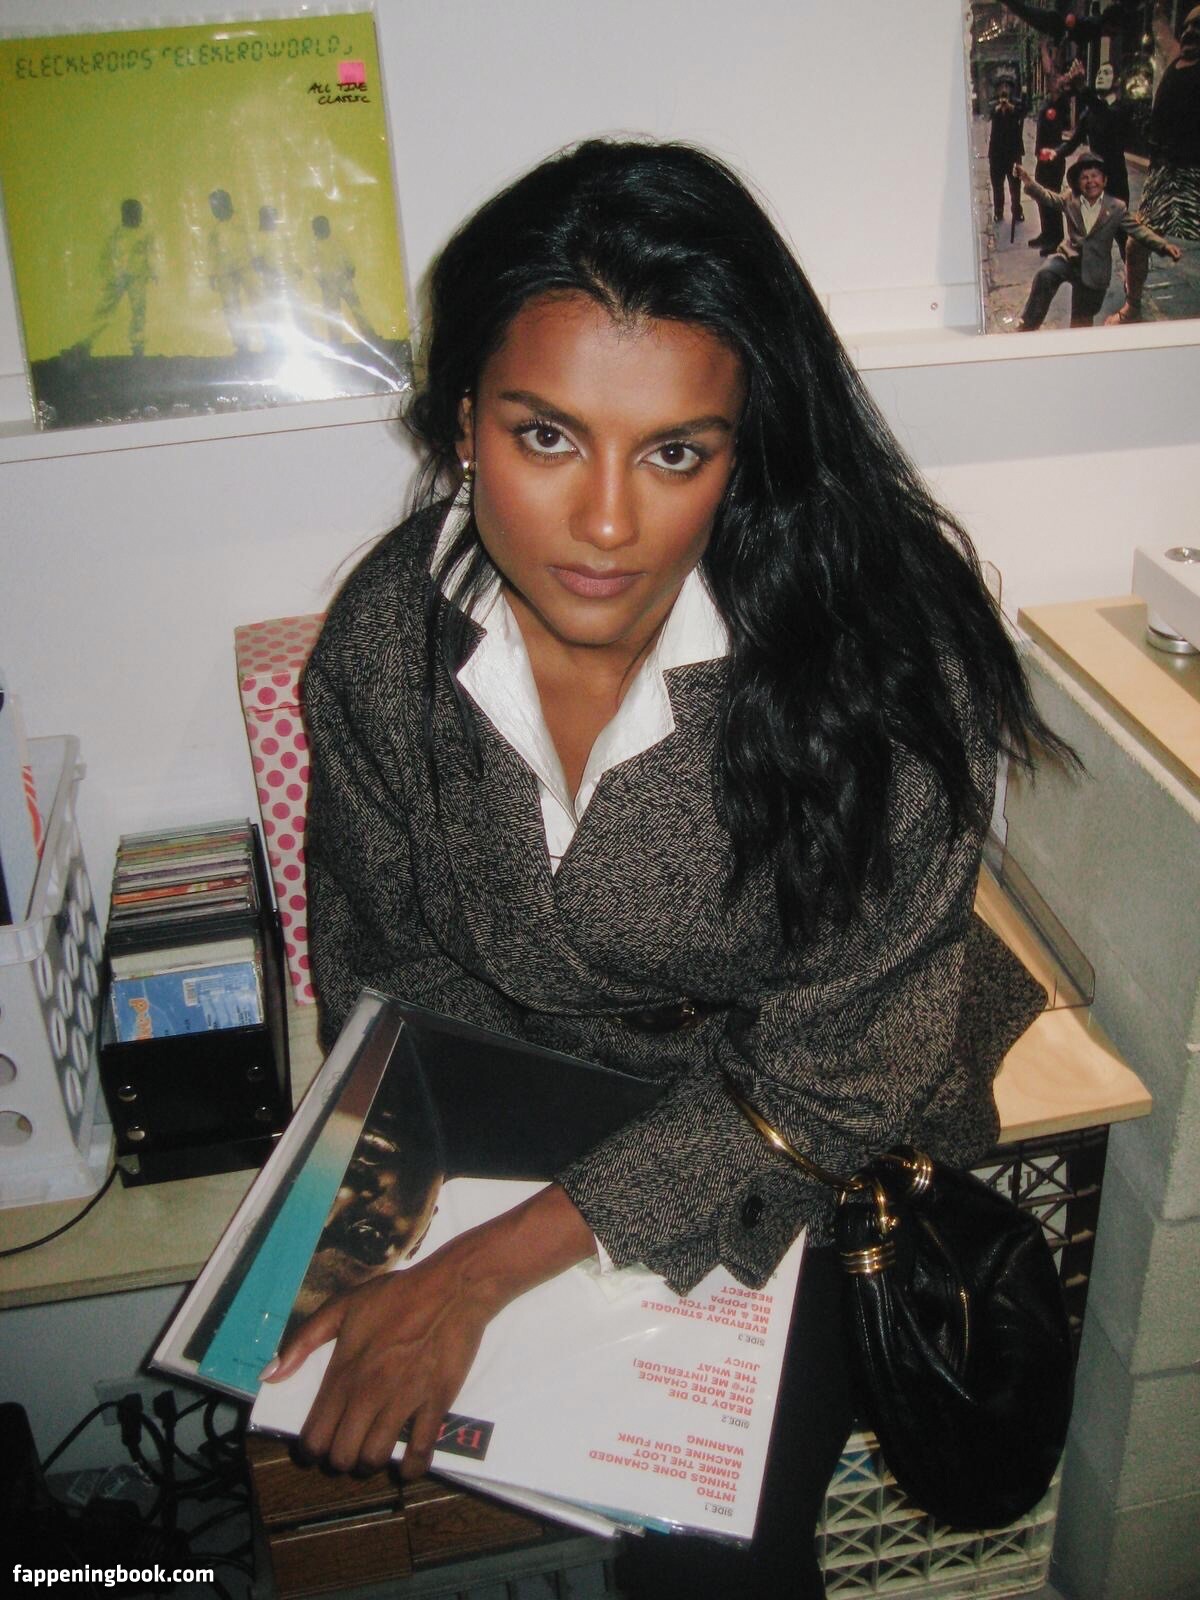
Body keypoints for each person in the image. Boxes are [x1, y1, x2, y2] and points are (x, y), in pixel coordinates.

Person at [262, 139, 1061, 1597]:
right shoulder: (386, 640)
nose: (609, 525)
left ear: (749, 446)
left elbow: (840, 1075)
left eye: (678, 452)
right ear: (460, 422)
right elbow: (385, 968)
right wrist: (390, 1220)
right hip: (524, 1075)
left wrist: (488, 1269)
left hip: (800, 1118)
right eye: (546, 437)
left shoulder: (885, 668)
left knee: (710, 1559)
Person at [1107, 3, 1200, 323]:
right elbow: (1161, 30)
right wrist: (1158, 10)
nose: (1190, 31)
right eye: (1187, 26)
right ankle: (1133, 307)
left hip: (1196, 175)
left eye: (1199, 26)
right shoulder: (1175, 59)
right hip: (1163, 174)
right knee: (1136, 243)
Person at [1015, 152, 1182, 328]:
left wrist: (1164, 246)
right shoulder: (1070, 198)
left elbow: (1139, 230)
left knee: (1082, 319)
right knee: (1046, 273)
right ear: (1078, 183)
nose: (1090, 181)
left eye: (1095, 176)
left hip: (1095, 269)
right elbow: (1048, 198)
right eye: (1084, 177)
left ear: (1104, 180)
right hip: (1069, 258)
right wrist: (1027, 181)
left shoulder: (1116, 207)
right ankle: (1027, 326)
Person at [988, 83, 1026, 224]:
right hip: (997, 153)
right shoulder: (993, 104)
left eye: (1006, 87)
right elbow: (989, 113)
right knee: (997, 185)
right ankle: (998, 212)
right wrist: (999, 108)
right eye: (1001, 87)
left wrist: (1011, 107)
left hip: (1013, 153)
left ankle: (1017, 211)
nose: (1003, 90)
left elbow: (1023, 111)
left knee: (1015, 186)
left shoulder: (1016, 103)